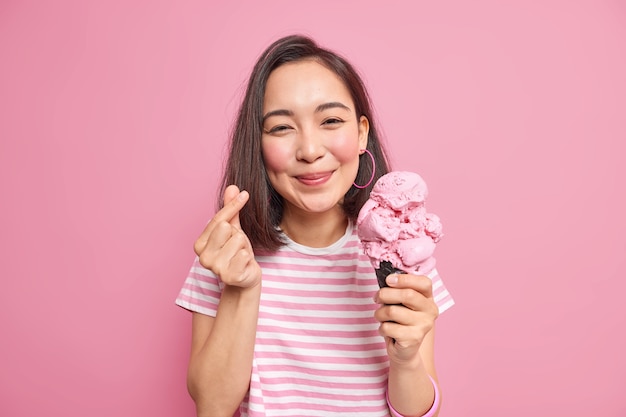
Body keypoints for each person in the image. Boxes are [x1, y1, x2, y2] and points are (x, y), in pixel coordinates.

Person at [176, 34, 454, 417]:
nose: (309, 151)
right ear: (257, 143)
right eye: (281, 128)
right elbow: (212, 407)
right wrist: (244, 288)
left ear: (361, 134)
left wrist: (405, 361)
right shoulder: (227, 250)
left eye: (331, 121)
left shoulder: (402, 251)